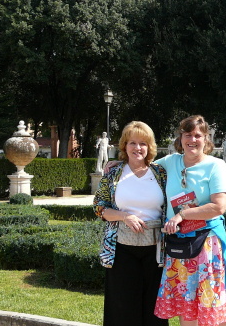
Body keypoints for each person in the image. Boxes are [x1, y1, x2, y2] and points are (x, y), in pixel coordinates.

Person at [105, 115, 226, 326]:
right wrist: (119, 164)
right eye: (187, 135)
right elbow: (140, 162)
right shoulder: (169, 162)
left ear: (206, 139)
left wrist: (182, 214)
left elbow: (219, 206)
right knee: (187, 308)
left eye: (198, 135)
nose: (192, 140)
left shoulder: (216, 165)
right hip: (178, 245)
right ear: (181, 137)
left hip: (206, 245)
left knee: (213, 305)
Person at [93, 121, 169, 326]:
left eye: (143, 143)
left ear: (150, 147)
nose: (138, 148)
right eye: (132, 143)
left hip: (155, 251)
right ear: (124, 146)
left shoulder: (160, 173)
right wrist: (124, 216)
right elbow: (99, 207)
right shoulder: (113, 172)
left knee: (154, 310)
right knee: (122, 309)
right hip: (121, 250)